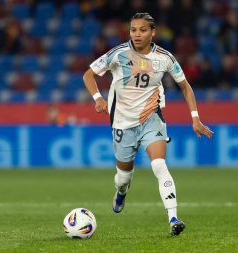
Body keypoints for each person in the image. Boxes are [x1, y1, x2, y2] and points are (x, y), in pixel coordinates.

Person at [83, 12, 213, 236]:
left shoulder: (164, 58)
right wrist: (98, 99)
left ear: (153, 32)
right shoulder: (118, 53)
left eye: (143, 30)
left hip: (151, 118)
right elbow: (88, 74)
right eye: (133, 30)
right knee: (123, 178)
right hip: (122, 123)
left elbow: (186, 87)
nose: (137, 34)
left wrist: (195, 117)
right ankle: (122, 191)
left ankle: (173, 218)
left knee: (159, 166)